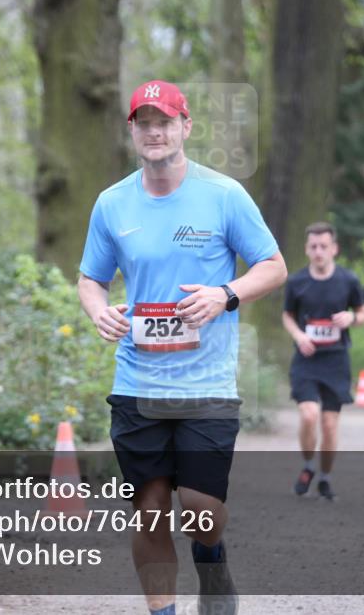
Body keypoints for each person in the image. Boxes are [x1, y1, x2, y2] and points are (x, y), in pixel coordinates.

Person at [77, 80, 286, 615]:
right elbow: (90, 279)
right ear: (132, 131)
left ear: (185, 127)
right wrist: (99, 309)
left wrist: (225, 294)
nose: (154, 131)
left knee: (200, 510)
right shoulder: (112, 203)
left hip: (207, 384)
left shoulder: (223, 195)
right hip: (137, 382)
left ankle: (212, 557)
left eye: (164, 121)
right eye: (144, 122)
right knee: (148, 510)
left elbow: (273, 266)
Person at [282, 222, 364, 501]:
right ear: (307, 249)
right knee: (308, 414)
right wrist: (298, 335)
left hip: (336, 360)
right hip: (306, 359)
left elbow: (362, 312)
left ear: (334, 249)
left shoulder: (348, 280)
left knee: (329, 424)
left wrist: (352, 317)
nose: (318, 252)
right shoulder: (296, 282)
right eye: (313, 247)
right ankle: (308, 466)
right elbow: (288, 315)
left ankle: (325, 477)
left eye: (324, 246)